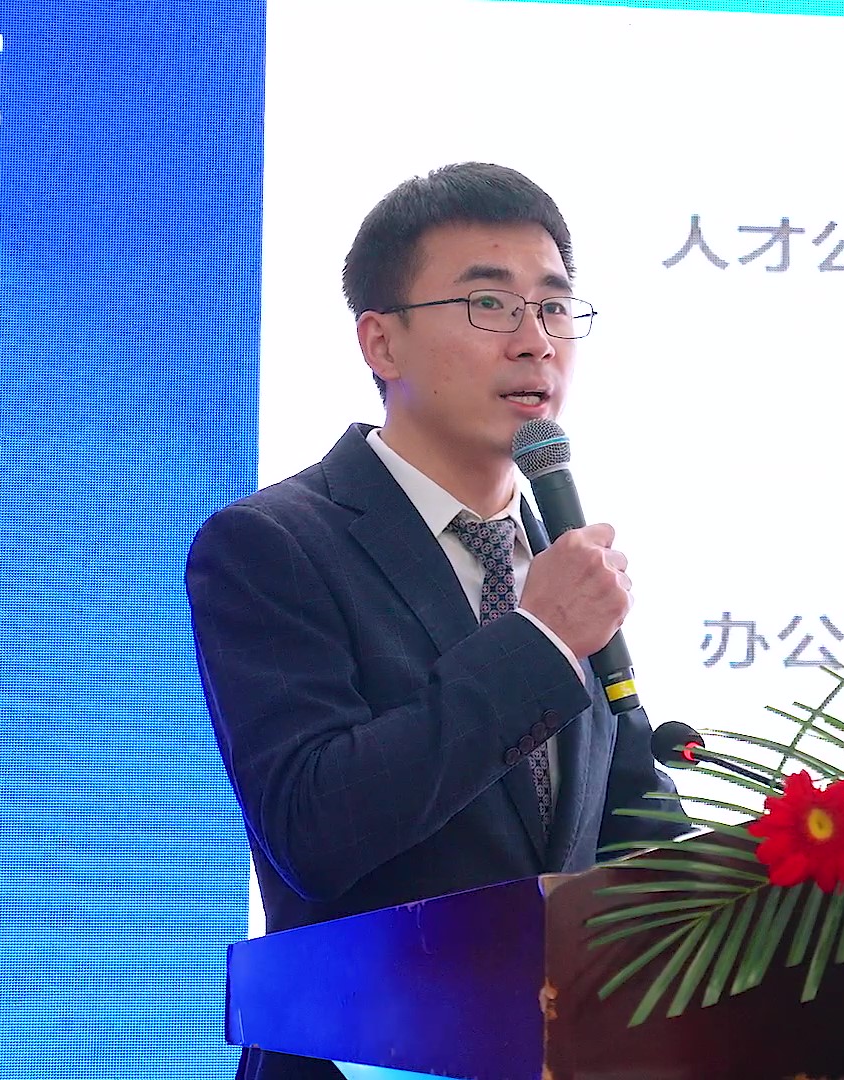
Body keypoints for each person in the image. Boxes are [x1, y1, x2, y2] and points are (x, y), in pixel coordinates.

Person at [185, 162, 684, 1080]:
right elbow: (315, 829)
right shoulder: (270, 544)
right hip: (358, 1057)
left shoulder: (559, 559)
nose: (536, 342)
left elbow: (624, 828)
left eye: (554, 307)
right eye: (490, 305)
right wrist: (538, 643)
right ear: (382, 342)